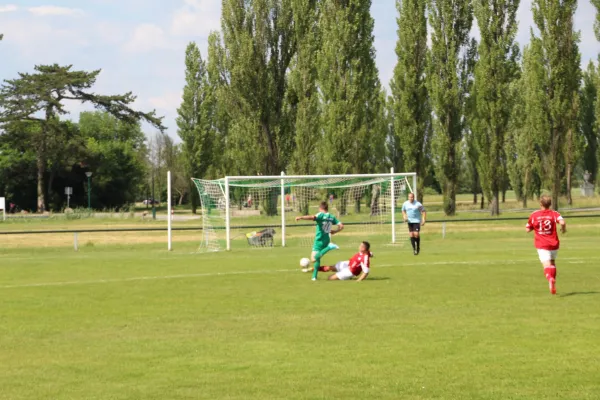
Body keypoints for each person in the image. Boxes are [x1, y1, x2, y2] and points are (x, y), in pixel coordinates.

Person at [526, 195, 566, 295]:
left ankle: (550, 279)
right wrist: (563, 229)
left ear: (540, 203)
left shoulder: (534, 215)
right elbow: (562, 222)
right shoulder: (554, 213)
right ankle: (552, 284)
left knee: (547, 266)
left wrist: (534, 228)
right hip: (554, 244)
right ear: (550, 204)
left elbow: (527, 229)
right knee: (552, 263)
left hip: (542, 244)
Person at [296, 201, 344, 281]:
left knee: (313, 259)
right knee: (317, 259)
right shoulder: (331, 216)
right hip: (326, 240)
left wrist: (301, 217)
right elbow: (341, 226)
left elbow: (312, 217)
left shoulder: (320, 215)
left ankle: (330, 247)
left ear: (320, 208)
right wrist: (335, 232)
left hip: (319, 240)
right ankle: (314, 277)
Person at [303, 241, 372, 282]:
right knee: (329, 267)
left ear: (363, 248)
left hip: (350, 271)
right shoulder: (366, 252)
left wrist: (358, 281)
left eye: (360, 245)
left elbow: (366, 272)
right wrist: (371, 254)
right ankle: (314, 269)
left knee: (330, 278)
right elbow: (370, 253)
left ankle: (347, 277)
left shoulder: (365, 258)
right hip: (348, 264)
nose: (359, 246)